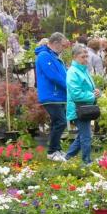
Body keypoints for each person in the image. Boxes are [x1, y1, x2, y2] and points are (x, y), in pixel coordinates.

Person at [35, 32, 68, 161]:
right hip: (50, 95)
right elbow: (53, 75)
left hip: (58, 95)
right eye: (62, 45)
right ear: (55, 43)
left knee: (57, 122)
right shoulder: (44, 56)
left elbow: (62, 74)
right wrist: (68, 86)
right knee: (61, 121)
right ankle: (52, 151)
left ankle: (57, 149)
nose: (63, 48)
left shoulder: (54, 56)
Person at [65, 43, 100, 165]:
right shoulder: (73, 72)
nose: (86, 59)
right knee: (86, 136)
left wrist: (95, 91)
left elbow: (88, 88)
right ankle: (87, 161)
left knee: (82, 136)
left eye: (86, 56)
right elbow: (76, 94)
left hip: (85, 108)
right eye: (83, 56)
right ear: (74, 57)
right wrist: (92, 95)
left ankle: (67, 157)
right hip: (77, 109)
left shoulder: (83, 70)